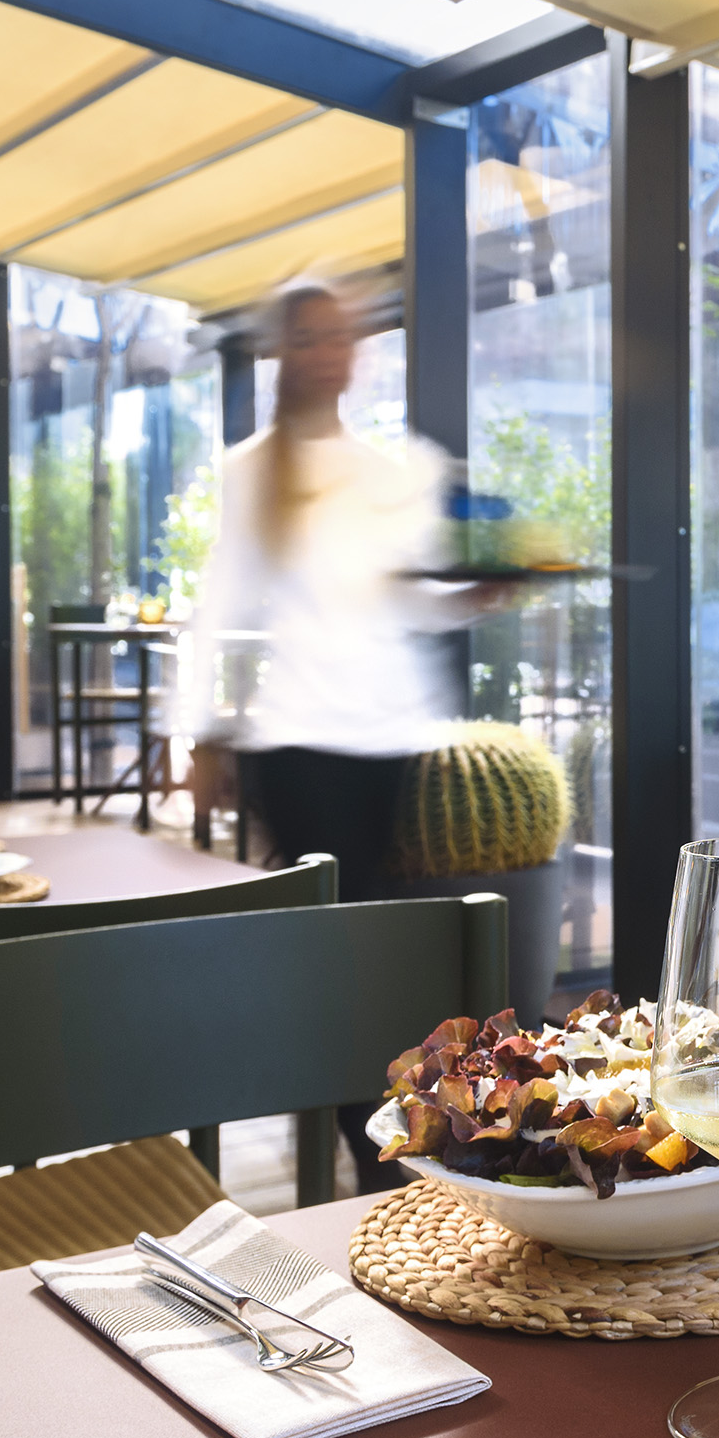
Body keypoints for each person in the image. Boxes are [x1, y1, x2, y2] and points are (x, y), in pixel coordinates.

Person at [173, 281, 494, 1189]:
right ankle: (366, 1149)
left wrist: (470, 597)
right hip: (298, 749)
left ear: (356, 352)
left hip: (388, 746)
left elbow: (401, 599)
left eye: (338, 337)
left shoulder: (385, 469)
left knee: (369, 957)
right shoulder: (252, 470)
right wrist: (197, 736)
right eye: (308, 337)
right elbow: (219, 603)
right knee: (345, 960)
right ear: (282, 351)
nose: (325, 352)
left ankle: (363, 1129)